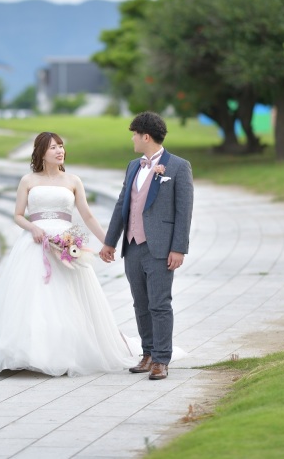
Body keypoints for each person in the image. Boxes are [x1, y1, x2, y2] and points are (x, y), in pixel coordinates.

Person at [0, 132, 138, 378]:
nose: (59, 151)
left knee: (68, 298)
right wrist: (33, 228)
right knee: (32, 299)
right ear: (41, 152)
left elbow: (87, 216)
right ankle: (23, 353)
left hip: (66, 244)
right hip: (34, 245)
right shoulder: (28, 180)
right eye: (53, 147)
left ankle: (67, 353)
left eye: (61, 146)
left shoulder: (73, 180)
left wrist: (107, 242)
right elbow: (18, 215)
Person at [100, 112, 193, 381]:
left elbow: (184, 211)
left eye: (134, 134)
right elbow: (122, 206)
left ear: (146, 137)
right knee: (140, 304)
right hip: (133, 245)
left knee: (159, 304)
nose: (132, 139)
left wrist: (179, 248)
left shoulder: (177, 167)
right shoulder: (133, 166)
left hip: (162, 248)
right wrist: (110, 242)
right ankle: (148, 353)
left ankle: (162, 359)